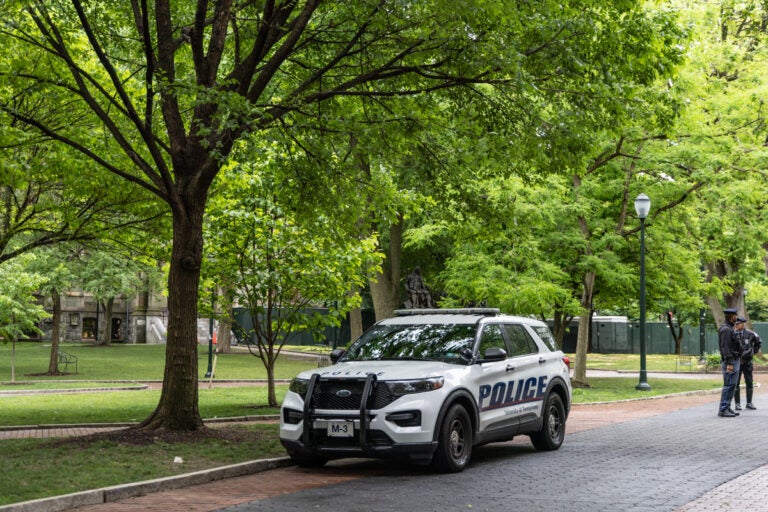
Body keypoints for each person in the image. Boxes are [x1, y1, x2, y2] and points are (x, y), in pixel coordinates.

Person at [734, 317, 762, 411]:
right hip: (737, 362)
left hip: (747, 362)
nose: (736, 325)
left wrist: (752, 352)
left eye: (738, 324)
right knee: (736, 383)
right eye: (736, 324)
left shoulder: (751, 333)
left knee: (749, 382)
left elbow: (758, 342)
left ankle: (749, 403)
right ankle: (737, 404)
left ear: (743, 324)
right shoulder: (732, 333)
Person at [718, 308, 741, 417]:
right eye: (735, 316)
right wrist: (730, 363)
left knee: (732, 385)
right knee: (729, 385)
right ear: (731, 317)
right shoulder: (726, 330)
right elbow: (725, 348)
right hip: (730, 361)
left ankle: (727, 407)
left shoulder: (729, 328)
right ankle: (723, 409)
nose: (736, 318)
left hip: (734, 359)